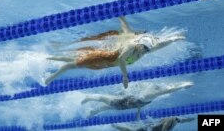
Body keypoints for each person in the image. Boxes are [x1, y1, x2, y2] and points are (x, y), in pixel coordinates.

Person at [45, 16, 186, 88]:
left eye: (146, 49)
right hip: (103, 57)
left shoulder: (146, 49)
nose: (144, 51)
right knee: (72, 65)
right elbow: (123, 59)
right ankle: (51, 77)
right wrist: (125, 77)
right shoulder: (132, 44)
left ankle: (50, 58)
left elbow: (161, 45)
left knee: (78, 61)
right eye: (143, 48)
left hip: (106, 64)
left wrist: (174, 39)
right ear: (140, 42)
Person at [81, 82, 192, 117]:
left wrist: (182, 86)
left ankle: (88, 98)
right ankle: (92, 111)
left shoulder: (150, 94)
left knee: (102, 99)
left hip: (120, 103)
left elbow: (168, 90)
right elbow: (139, 104)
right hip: (123, 105)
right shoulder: (148, 96)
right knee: (106, 107)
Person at [111, 116, 195, 131]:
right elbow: (169, 120)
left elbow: (187, 120)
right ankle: (115, 125)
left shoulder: (174, 121)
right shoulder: (171, 120)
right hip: (148, 128)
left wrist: (195, 118)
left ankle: (115, 126)